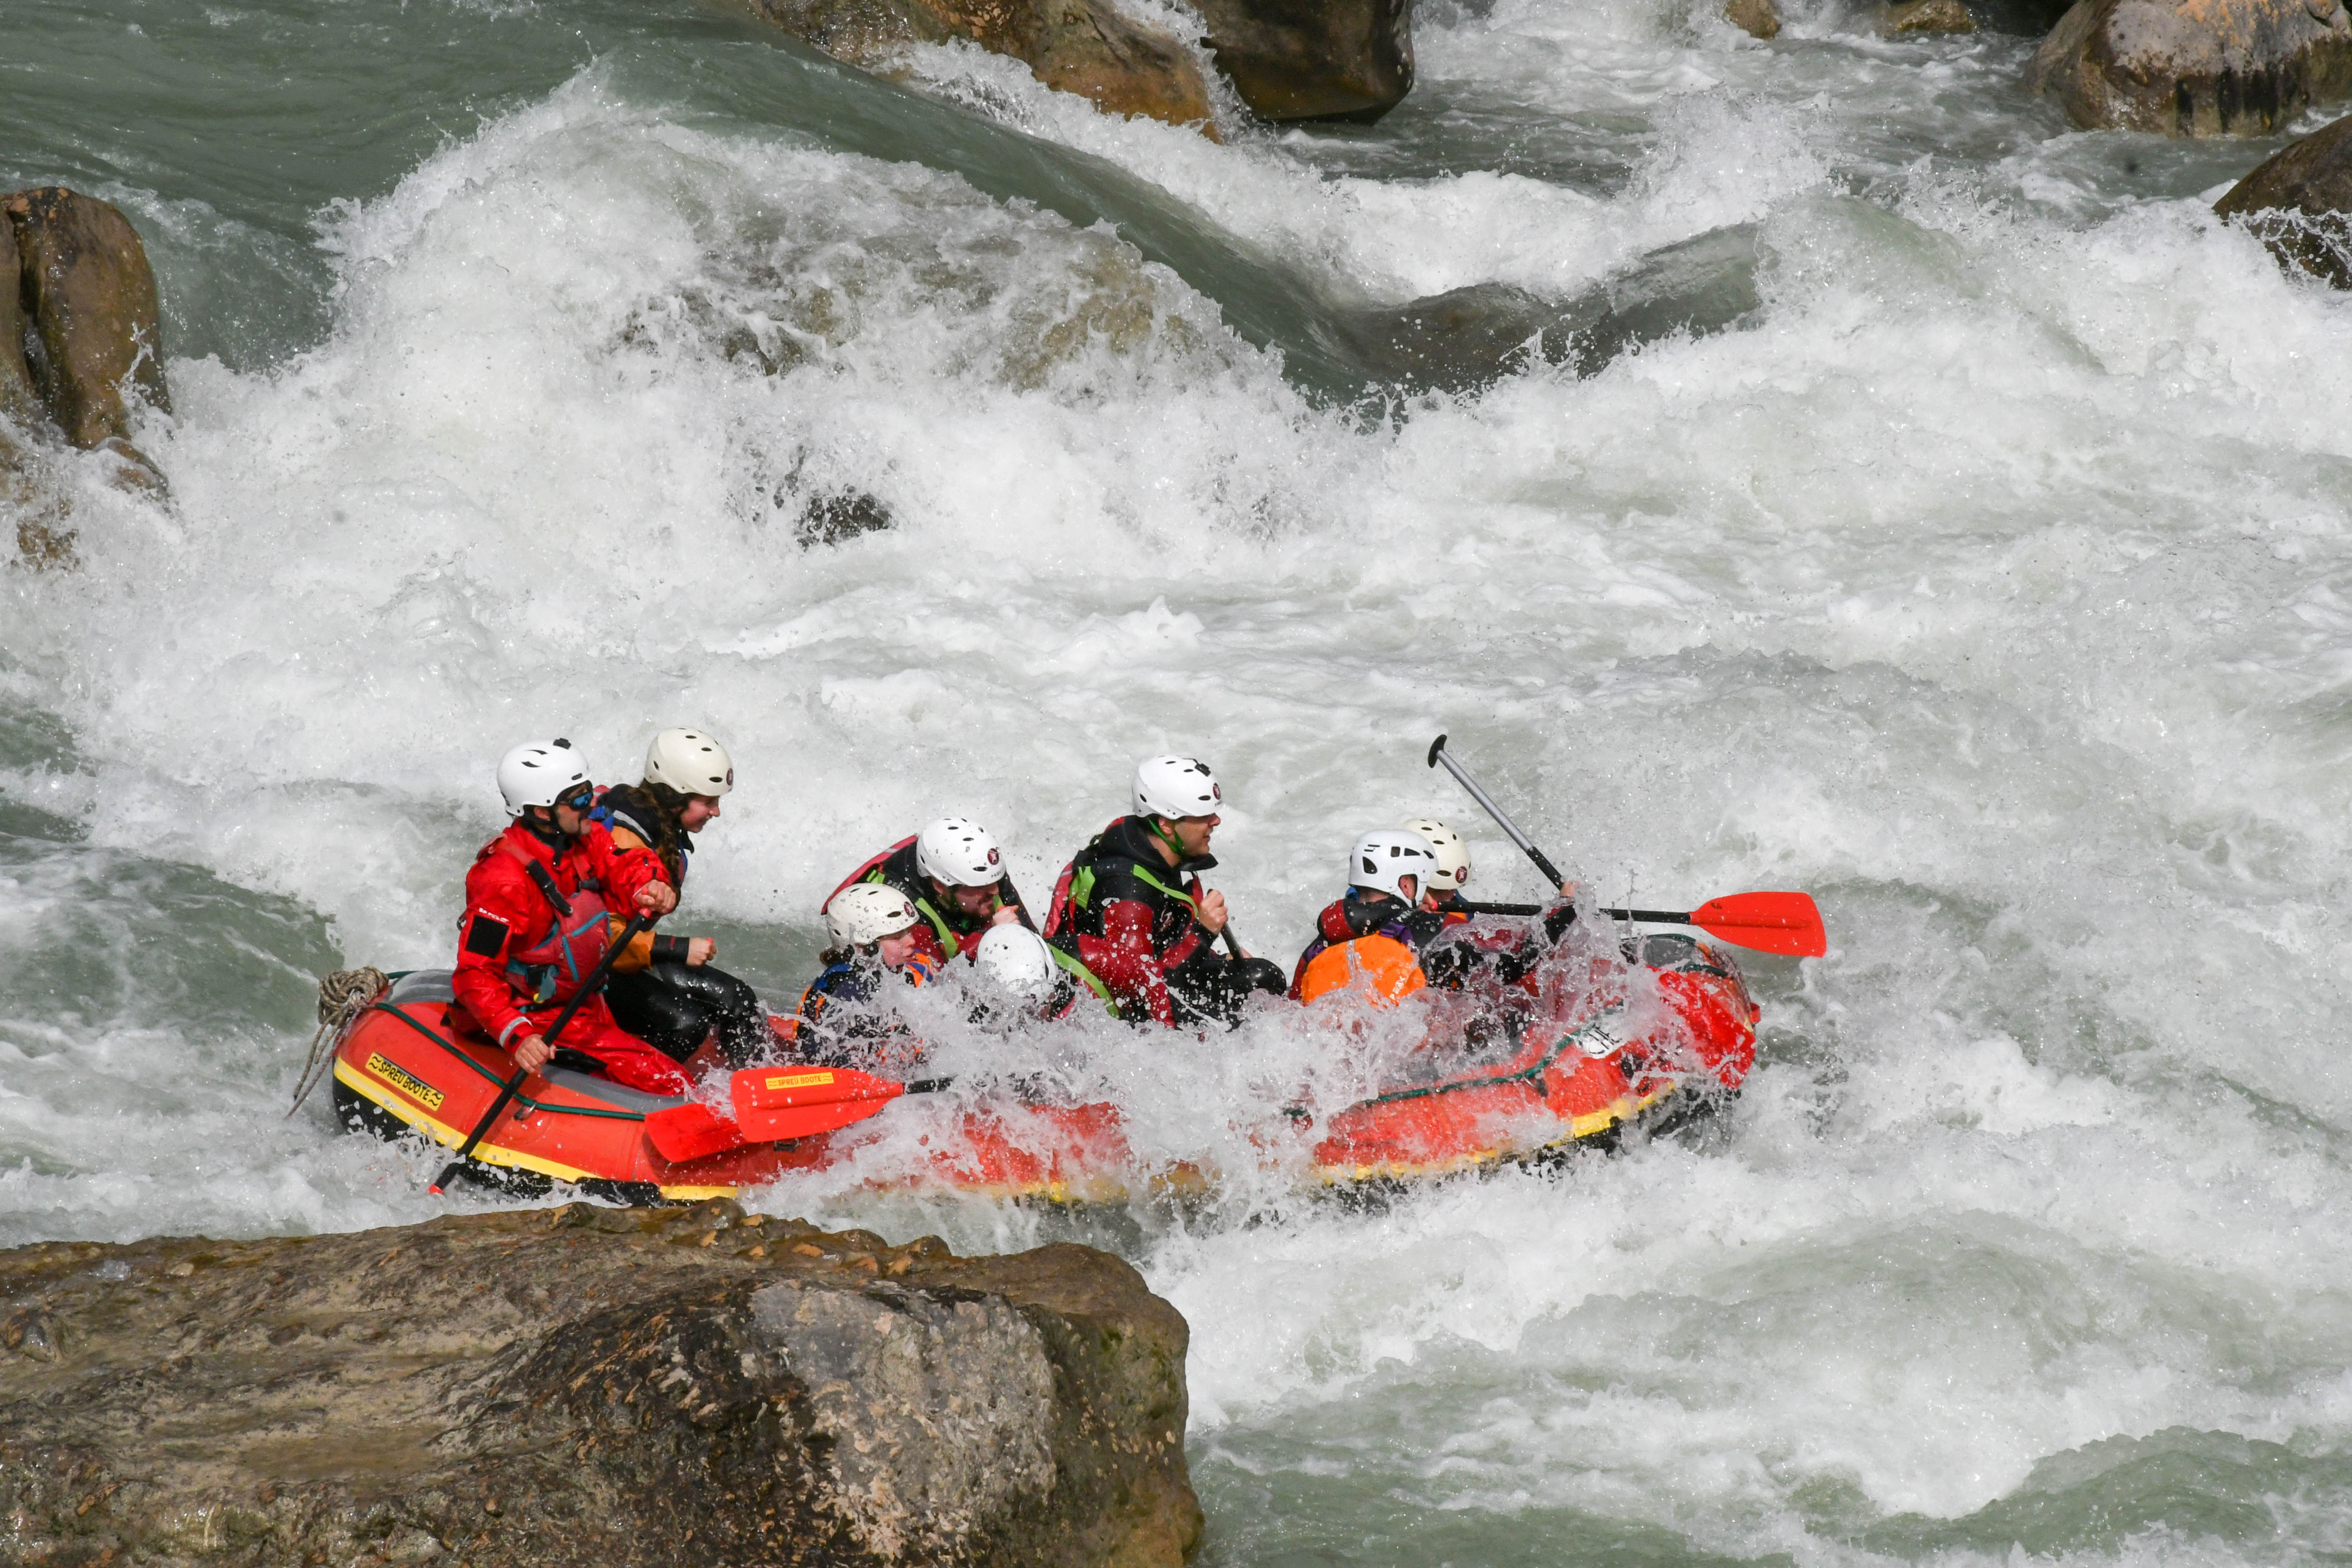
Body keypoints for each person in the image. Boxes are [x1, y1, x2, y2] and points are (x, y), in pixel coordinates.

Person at [449, 738, 685, 1094]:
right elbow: (474, 973)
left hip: (584, 1002)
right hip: (533, 1013)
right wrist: (518, 1034)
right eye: (577, 799)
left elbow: (625, 862)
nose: (590, 804)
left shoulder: (582, 840)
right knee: (669, 1082)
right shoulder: (503, 881)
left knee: (670, 1057)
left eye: (588, 792)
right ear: (542, 812)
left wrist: (650, 885)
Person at [1041, 755, 1286, 1028]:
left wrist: (1213, 958)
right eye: (1203, 816)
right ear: (1166, 824)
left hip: (1160, 977)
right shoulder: (1128, 895)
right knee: (1252, 992)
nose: (1215, 821)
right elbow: (1142, 990)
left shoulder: (1158, 857)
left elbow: (1161, 947)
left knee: (1262, 978)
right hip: (1122, 1014)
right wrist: (1202, 934)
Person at [593, 728, 774, 1069]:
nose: (716, 812)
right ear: (672, 796)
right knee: (687, 1023)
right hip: (589, 969)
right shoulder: (622, 842)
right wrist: (677, 948)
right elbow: (600, 940)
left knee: (737, 1000)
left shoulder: (659, 829)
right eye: (707, 802)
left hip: (623, 958)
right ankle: (622, 1082)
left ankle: (751, 1089)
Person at [1293, 828, 1580, 1007]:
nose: (1430, 899)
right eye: (1422, 883)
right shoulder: (1430, 929)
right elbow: (1515, 964)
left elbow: (1292, 1009)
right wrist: (1564, 908)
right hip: (1416, 1067)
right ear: (1406, 885)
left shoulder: (1316, 949)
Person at [831, 817, 1032, 964]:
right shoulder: (902, 909)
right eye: (981, 888)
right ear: (940, 886)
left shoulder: (983, 875)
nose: (996, 890)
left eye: (998, 880)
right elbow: (937, 993)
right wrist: (990, 935)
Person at [791, 882, 939, 1066]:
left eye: (908, 931)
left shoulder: (905, 970)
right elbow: (821, 1054)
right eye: (896, 937)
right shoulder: (850, 991)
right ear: (862, 949)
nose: (911, 941)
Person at [971, 922, 1116, 1022]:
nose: (1036, 1017)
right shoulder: (973, 1015)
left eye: (1041, 1003)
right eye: (1022, 1012)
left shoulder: (1091, 955)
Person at [1401, 818, 1475, 918]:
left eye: (1453, 889)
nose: (1448, 901)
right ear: (1405, 885)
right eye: (1437, 891)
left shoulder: (1459, 904)